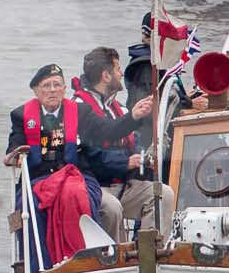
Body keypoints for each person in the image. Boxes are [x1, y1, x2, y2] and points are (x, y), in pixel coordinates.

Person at [3, 63, 124, 251]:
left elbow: (109, 130)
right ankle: (38, 265)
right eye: (46, 85)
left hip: (76, 177)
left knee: (89, 200)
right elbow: (14, 146)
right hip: (38, 179)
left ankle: (96, 256)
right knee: (27, 209)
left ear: (64, 89)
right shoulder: (21, 115)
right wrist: (14, 156)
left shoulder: (81, 112)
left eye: (57, 85)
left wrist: (134, 116)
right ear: (36, 90)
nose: (52, 90)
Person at [75, 48, 176, 236]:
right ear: (106, 76)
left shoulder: (119, 108)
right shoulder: (79, 108)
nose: (121, 73)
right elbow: (88, 155)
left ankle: (150, 254)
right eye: (118, 69)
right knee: (112, 208)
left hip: (123, 185)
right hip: (94, 186)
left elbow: (133, 142)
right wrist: (126, 162)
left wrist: (144, 158)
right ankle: (114, 260)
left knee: (163, 194)